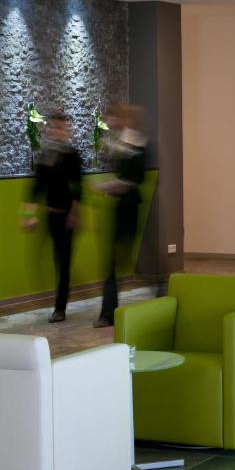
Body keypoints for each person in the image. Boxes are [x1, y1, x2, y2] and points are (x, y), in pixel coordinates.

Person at [22, 113, 82, 323]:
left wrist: (74, 213)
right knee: (48, 258)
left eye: (61, 128)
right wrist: (28, 215)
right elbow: (36, 187)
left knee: (63, 263)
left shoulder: (73, 155)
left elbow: (77, 187)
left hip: (67, 217)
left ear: (66, 131)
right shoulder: (46, 156)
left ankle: (60, 308)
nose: (57, 132)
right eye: (53, 128)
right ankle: (55, 302)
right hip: (50, 214)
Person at [93, 104, 147, 329]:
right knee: (113, 262)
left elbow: (135, 179)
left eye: (111, 118)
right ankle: (108, 313)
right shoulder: (118, 142)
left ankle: (162, 292)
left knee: (129, 260)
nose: (108, 123)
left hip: (130, 207)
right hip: (119, 208)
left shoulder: (138, 143)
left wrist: (110, 186)